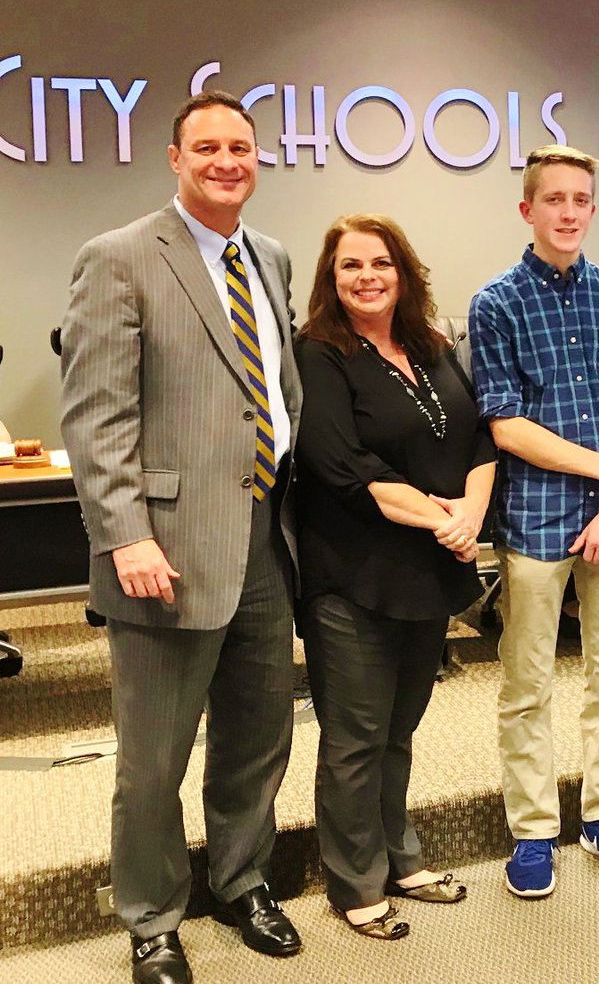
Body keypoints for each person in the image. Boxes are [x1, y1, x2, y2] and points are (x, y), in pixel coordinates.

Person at [59, 91, 303, 984]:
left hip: (265, 540)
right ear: (174, 158)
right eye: (207, 147)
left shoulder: (269, 257)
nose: (227, 161)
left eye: (240, 146)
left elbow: (268, 397)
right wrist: (125, 534)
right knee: (153, 754)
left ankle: (241, 882)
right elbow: (94, 415)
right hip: (162, 550)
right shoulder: (120, 258)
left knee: (256, 734)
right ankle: (153, 916)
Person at [293, 214, 494, 938]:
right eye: (351, 266)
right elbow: (343, 466)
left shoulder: (430, 345)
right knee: (355, 733)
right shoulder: (317, 352)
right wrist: (446, 522)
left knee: (399, 728)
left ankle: (400, 855)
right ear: (332, 277)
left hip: (427, 570)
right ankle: (354, 884)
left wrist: (470, 511)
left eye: (381, 263)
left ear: (403, 271)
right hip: (352, 573)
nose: (367, 277)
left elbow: (478, 434)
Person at [469, 145, 599, 898]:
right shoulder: (496, 303)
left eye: (581, 200)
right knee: (528, 683)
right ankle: (533, 832)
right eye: (555, 200)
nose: (569, 212)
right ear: (528, 210)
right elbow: (506, 427)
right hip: (536, 524)